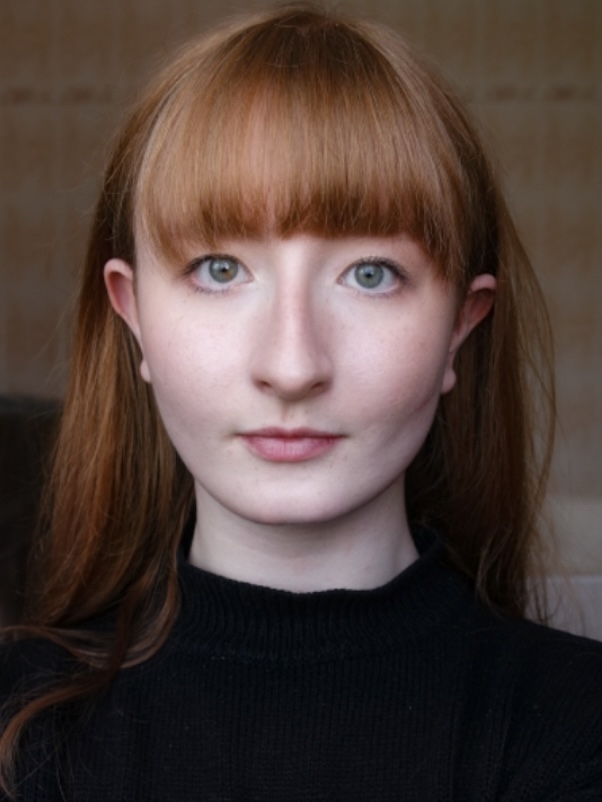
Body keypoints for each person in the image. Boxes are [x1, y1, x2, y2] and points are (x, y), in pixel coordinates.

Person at [1, 4, 601, 800]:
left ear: (461, 324)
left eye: (370, 275)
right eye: (220, 269)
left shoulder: (579, 728)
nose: (292, 366)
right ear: (133, 312)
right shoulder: (18, 730)